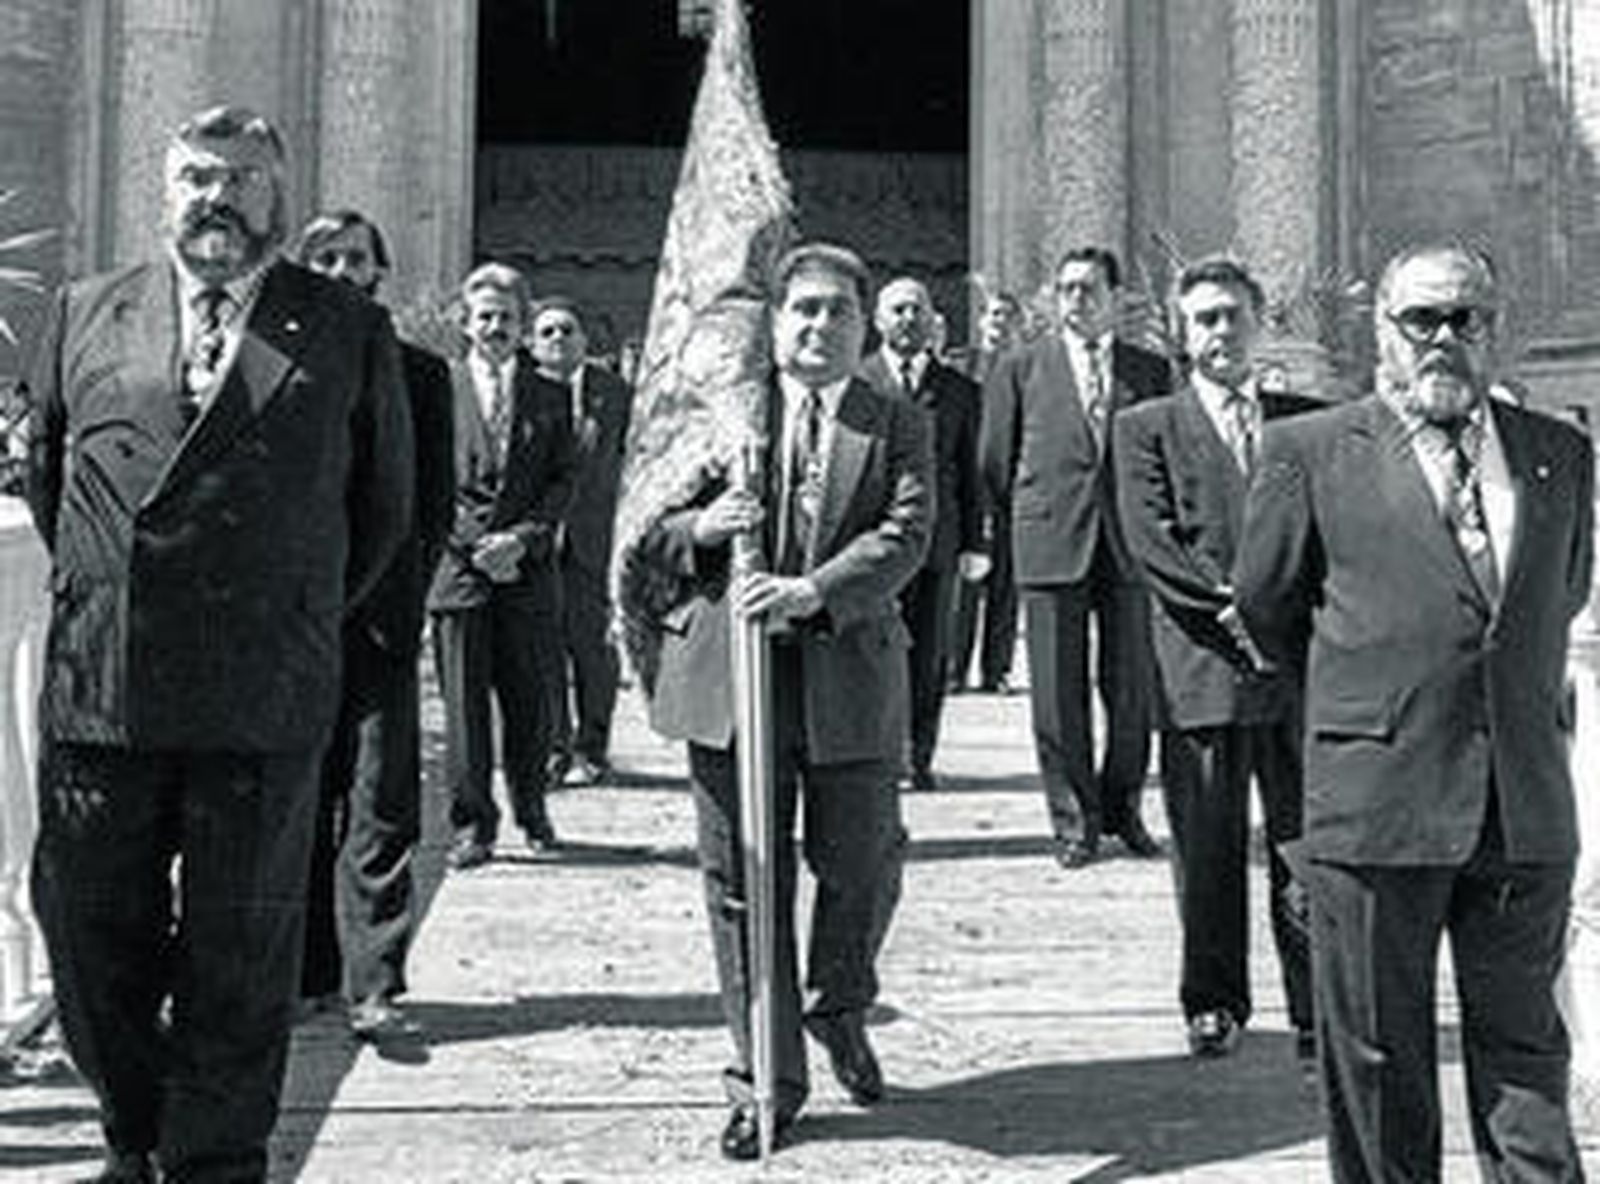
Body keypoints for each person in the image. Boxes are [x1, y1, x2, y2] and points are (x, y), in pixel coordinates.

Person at [22, 105, 413, 1182]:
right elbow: (58, 488)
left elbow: (380, 516)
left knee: (239, 952)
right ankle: (133, 1127)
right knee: (90, 930)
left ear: (275, 196)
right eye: (198, 174)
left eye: (243, 178)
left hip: (262, 686)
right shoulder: (86, 309)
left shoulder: (340, 326)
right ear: (166, 189)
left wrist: (282, 613)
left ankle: (214, 1159)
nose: (218, 196)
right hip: (107, 684)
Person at [1235, 243, 1592, 1180]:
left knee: (1527, 1064)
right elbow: (1267, 608)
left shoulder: (1561, 457)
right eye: (1421, 320)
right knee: (1381, 1066)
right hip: (1377, 807)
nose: (1443, 339)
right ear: (1381, 332)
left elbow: (1560, 598)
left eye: (1464, 319)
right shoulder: (1308, 452)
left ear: (1495, 330)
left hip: (1521, 812)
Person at [635, 242, 932, 1160]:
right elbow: (644, 527)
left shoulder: (897, 421)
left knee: (861, 865)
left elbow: (910, 529)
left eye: (838, 312)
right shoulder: (718, 413)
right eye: (803, 309)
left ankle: (838, 1007)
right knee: (740, 889)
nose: (819, 326)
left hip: (846, 673)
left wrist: (817, 592)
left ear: (863, 325)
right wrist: (701, 528)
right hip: (731, 684)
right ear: (774, 322)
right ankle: (765, 1077)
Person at [1114, 256, 1316, 1059]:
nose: (1221, 331)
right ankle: (1214, 1001)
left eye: (1233, 314)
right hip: (1200, 665)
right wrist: (1231, 610)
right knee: (1207, 843)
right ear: (1181, 331)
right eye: (1205, 318)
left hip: (1296, 670)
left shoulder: (1304, 424)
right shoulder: (1145, 428)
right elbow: (1151, 543)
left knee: (1305, 845)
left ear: (1258, 321)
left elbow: (1331, 535)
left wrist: (1278, 617)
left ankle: (1315, 1008)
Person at [291, 209, 455, 1039]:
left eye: (356, 257)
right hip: (287, 626)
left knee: (380, 802)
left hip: (381, 623)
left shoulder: (423, 374)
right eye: (325, 257)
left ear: (378, 270)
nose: (342, 269)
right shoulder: (269, 367)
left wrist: (404, 595)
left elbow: (434, 502)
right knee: (294, 800)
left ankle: (375, 981)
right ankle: (306, 974)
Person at [980, 246, 1170, 868]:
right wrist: (1034, 516)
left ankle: (1124, 811)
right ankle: (1073, 822)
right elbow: (994, 460)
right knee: (1057, 696)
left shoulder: (1150, 371)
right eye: (1065, 289)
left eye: (1089, 288)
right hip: (1051, 543)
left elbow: (1164, 460)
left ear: (1115, 298)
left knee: (1131, 691)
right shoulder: (1020, 368)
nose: (1076, 300)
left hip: (1128, 550)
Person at [428, 263, 575, 870]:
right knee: (464, 710)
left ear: (522, 325)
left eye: (506, 318)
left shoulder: (551, 394)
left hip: (527, 572)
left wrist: (521, 540)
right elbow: (426, 480)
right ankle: (472, 826)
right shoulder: (439, 388)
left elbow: (564, 481)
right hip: (458, 573)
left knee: (530, 701)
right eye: (484, 316)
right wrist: (476, 545)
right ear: (466, 323)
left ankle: (533, 809)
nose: (494, 327)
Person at [859, 277, 986, 791]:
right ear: (878, 320)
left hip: (936, 543)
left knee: (929, 652)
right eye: (898, 310)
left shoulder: (960, 391)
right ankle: (873, 752)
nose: (908, 319)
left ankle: (918, 754)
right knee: (870, 649)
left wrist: (976, 542)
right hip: (869, 543)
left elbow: (970, 470)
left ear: (933, 321)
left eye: (918, 310)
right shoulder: (858, 382)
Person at [527, 296, 633, 787]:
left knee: (593, 649)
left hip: (594, 539)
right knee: (543, 647)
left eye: (566, 330)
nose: (557, 339)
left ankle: (593, 747)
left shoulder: (614, 394)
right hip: (538, 542)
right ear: (531, 343)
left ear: (585, 341)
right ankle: (553, 747)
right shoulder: (522, 392)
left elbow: (634, 462)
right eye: (546, 332)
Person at [950, 290, 1022, 693]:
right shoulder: (960, 364)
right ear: (981, 320)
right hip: (966, 485)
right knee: (963, 584)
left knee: (1005, 585)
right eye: (995, 314)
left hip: (1010, 487)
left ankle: (997, 671)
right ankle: (954, 669)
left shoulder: (1026, 368)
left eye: (1009, 316)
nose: (1001, 322)